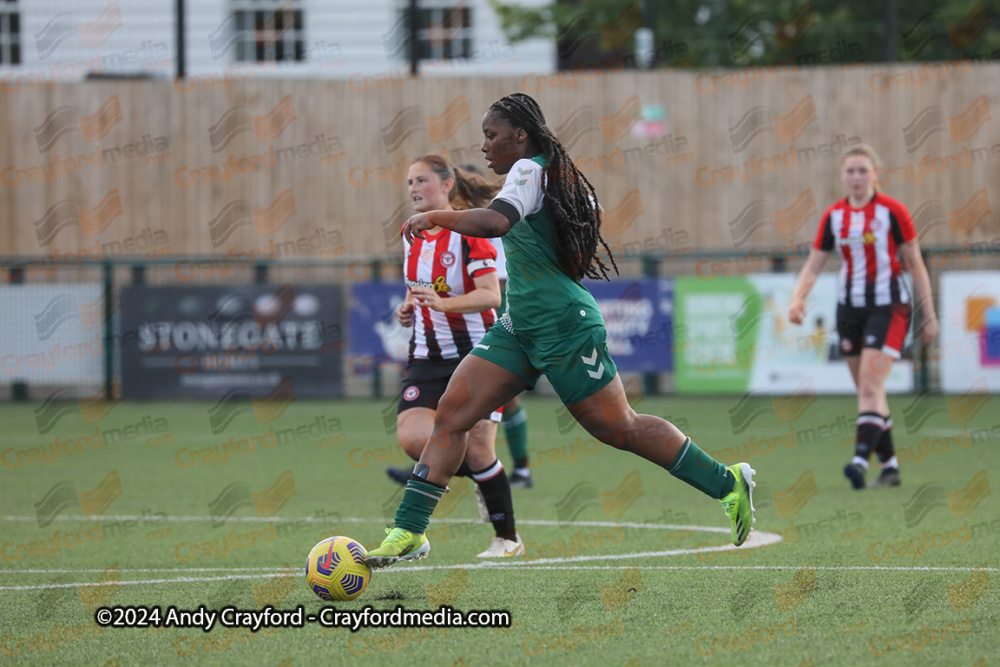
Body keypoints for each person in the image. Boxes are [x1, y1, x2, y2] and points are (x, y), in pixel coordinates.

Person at [366, 93, 756, 568]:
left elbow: (494, 222)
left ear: (521, 135)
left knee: (619, 429)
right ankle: (407, 532)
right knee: (450, 415)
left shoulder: (532, 170)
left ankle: (727, 482)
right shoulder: (549, 176)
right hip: (518, 326)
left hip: (563, 327)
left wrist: (436, 216)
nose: (485, 146)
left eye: (492, 135)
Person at [385, 153, 524, 558]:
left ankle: (507, 539)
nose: (414, 189)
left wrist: (445, 305)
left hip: (479, 355)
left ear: (447, 186)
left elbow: (490, 295)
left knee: (479, 449)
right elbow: (417, 285)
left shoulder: (470, 233)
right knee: (414, 440)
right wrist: (407, 307)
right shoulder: (410, 233)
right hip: (426, 357)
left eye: (422, 181)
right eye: (410, 182)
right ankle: (486, 478)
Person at [788, 144, 938, 490]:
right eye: (850, 171)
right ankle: (891, 468)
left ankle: (858, 461)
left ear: (875, 173)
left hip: (889, 308)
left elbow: (916, 266)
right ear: (842, 177)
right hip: (849, 309)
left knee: (870, 389)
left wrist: (928, 314)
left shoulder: (892, 211)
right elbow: (814, 264)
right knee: (869, 392)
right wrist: (797, 299)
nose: (856, 177)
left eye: (862, 170)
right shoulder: (834, 217)